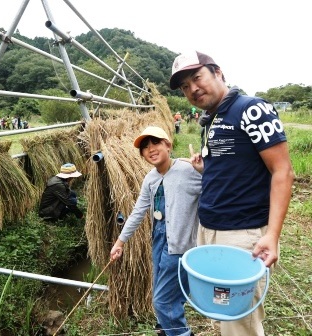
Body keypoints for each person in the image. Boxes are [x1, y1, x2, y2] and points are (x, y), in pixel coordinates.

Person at [169, 50, 294, 336]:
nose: (193, 89)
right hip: (211, 231)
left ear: (218, 72)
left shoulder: (251, 109)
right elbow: (236, 166)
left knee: (240, 323)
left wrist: (272, 236)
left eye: (197, 78)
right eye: (185, 87)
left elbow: (283, 172)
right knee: (221, 312)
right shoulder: (211, 118)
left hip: (242, 236)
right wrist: (205, 169)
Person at [110, 126, 202, 336]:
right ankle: (167, 328)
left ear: (168, 145)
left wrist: (204, 171)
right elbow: (138, 212)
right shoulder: (150, 178)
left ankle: (180, 333)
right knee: (165, 291)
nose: (150, 149)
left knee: (162, 300)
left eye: (155, 143)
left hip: (180, 245)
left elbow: (216, 187)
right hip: (159, 240)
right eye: (145, 147)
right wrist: (120, 242)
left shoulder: (188, 169)